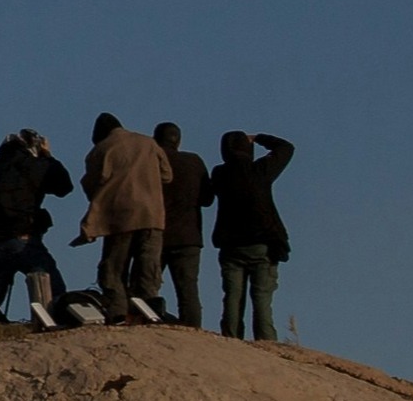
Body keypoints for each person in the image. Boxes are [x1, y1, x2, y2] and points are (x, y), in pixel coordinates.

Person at [79, 113, 170, 320]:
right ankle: (149, 311)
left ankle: (118, 313)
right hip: (151, 215)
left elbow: (91, 186)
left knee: (113, 269)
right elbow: (167, 175)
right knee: (148, 267)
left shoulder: (99, 151)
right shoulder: (148, 142)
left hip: (118, 218)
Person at [0, 129, 72, 320]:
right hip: (22, 237)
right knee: (50, 283)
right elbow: (64, 187)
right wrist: (48, 155)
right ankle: (52, 321)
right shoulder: (34, 165)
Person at [212, 130, 297, 341]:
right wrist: (258, 138)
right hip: (263, 243)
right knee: (261, 297)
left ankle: (230, 338)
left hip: (230, 244)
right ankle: (266, 342)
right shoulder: (260, 170)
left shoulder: (220, 174)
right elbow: (286, 148)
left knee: (232, 296)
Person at [154, 123, 211, 327]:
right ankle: (192, 332)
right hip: (188, 235)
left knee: (147, 288)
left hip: (155, 233)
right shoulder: (194, 161)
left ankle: (145, 325)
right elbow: (207, 198)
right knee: (188, 291)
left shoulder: (150, 161)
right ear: (178, 140)